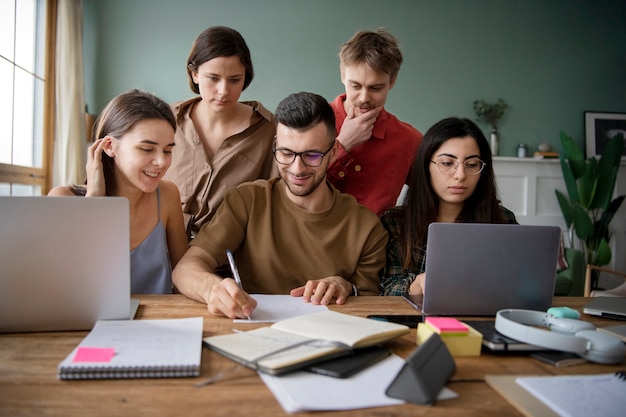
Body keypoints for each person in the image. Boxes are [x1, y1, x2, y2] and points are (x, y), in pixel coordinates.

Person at [172, 92, 388, 318]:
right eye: (286, 153)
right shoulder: (246, 201)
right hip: (251, 333)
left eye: (312, 155)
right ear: (276, 146)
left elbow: (369, 306)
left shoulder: (367, 228)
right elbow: (184, 270)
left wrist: (347, 287)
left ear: (333, 151)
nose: (297, 168)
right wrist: (211, 290)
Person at [48, 89, 188, 294]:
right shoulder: (63, 199)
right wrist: (95, 201)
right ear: (110, 146)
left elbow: (184, 274)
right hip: (89, 325)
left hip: (158, 321)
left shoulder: (167, 195)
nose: (161, 162)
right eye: (147, 149)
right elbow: (63, 290)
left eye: (168, 150)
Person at [380, 117, 518, 296]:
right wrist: (418, 285)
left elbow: (519, 285)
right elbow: (384, 291)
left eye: (471, 164)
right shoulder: (395, 223)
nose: (460, 175)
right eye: (447, 163)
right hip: (416, 322)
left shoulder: (503, 220)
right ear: (425, 166)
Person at [163, 26, 277, 239]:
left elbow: (277, 203)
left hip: (228, 256)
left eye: (235, 80)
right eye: (213, 78)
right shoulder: (166, 120)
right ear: (194, 74)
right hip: (160, 247)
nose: (224, 90)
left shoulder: (268, 129)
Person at [326, 28, 423, 217]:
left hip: (377, 244)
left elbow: (429, 199)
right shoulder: (311, 124)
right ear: (342, 75)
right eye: (355, 86)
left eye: (376, 88)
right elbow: (293, 192)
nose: (364, 98)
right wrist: (342, 145)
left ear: (392, 81)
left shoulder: (410, 141)